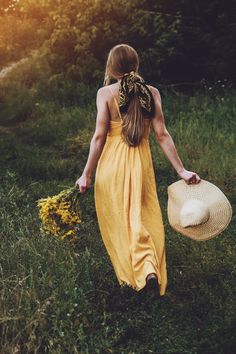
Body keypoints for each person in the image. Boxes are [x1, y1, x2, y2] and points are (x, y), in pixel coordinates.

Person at [75, 44, 201, 297]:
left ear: (111, 67)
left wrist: (87, 174)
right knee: (143, 217)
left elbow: (99, 137)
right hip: (140, 164)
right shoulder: (151, 92)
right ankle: (149, 269)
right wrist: (181, 170)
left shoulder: (105, 93)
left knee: (121, 219)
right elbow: (162, 135)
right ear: (136, 64)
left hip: (112, 164)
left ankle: (138, 273)